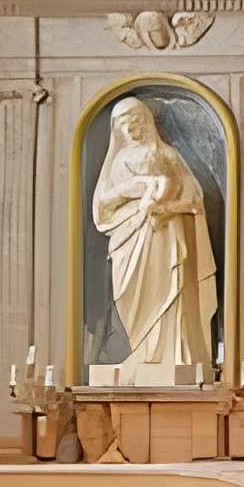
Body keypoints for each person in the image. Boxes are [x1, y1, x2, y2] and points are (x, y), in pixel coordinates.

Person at [90, 97, 219, 372]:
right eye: (125, 124)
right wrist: (133, 189)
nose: (133, 128)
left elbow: (194, 198)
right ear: (117, 130)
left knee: (168, 291)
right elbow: (103, 206)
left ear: (148, 121)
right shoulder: (116, 162)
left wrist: (164, 207)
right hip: (128, 238)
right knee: (131, 296)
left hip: (163, 235)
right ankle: (142, 352)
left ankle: (170, 353)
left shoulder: (167, 155)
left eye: (137, 120)